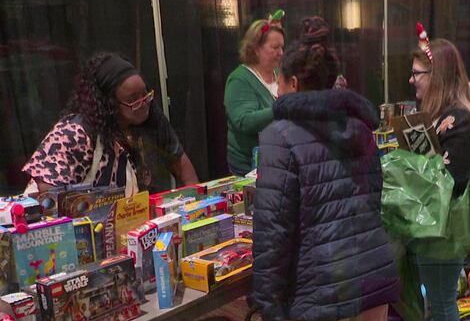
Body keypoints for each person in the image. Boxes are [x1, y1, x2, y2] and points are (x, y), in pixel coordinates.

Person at [250, 16, 399, 321]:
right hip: (369, 265)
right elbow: (372, 196)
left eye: (279, 81)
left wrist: (267, 298)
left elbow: (273, 227)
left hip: (319, 278)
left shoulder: (280, 135)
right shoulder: (360, 126)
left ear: (293, 83)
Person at [403, 28, 470, 321]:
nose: (412, 81)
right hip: (438, 226)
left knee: (441, 300)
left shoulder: (459, 120)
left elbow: (449, 183)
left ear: (436, 76)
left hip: (444, 229)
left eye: (417, 74)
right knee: (441, 298)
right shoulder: (447, 116)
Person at [23, 52, 198, 196]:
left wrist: (197, 204)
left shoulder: (148, 112)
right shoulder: (75, 132)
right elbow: (47, 192)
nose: (143, 103)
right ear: (108, 103)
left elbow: (181, 164)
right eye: (132, 99)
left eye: (145, 94)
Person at [225, 11, 285, 176]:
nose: (281, 53)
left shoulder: (280, 74)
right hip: (248, 169)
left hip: (277, 163)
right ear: (256, 49)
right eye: (275, 47)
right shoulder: (239, 79)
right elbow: (244, 121)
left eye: (282, 47)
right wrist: (281, 108)